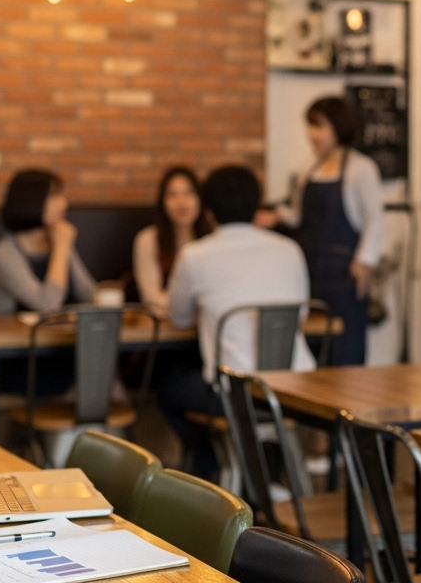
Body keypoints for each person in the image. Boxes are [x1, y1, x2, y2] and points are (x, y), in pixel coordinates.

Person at [162, 164, 317, 472]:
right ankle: (267, 472)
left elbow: (178, 318)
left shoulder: (194, 255)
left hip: (235, 393)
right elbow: (300, 314)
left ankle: (212, 470)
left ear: (209, 212)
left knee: (168, 390)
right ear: (257, 206)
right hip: (296, 389)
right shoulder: (289, 250)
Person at [271, 97, 385, 365]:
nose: (312, 134)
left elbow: (375, 221)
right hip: (310, 272)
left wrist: (363, 262)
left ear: (339, 126)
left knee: (346, 352)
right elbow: (298, 215)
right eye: (310, 126)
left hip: (345, 275)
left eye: (319, 126)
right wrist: (274, 216)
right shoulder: (308, 169)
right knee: (313, 351)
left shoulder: (361, 169)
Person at [0, 169, 96, 314]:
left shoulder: (57, 240)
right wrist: (61, 247)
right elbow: (48, 305)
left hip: (62, 328)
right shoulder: (4, 253)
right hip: (14, 329)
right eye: (54, 196)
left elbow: (89, 295)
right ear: (30, 201)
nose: (64, 203)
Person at [133, 166, 213, 314]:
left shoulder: (213, 239)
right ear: (163, 202)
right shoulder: (147, 239)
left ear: (200, 200)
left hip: (207, 323)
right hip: (163, 323)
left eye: (189, 193)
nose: (181, 202)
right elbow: (151, 299)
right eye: (173, 195)